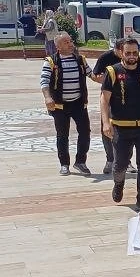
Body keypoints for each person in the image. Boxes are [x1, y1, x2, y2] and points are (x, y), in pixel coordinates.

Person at [100, 37, 140, 209]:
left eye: (134, 52)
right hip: (121, 126)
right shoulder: (113, 71)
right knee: (120, 164)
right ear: (121, 53)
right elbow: (104, 99)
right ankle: (119, 184)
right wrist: (105, 123)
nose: (132, 56)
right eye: (128, 53)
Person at [39, 33, 92, 176]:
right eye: (66, 42)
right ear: (58, 46)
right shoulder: (51, 61)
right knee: (62, 135)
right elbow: (44, 81)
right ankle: (64, 164)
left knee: (85, 132)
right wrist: (47, 97)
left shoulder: (80, 60)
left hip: (79, 104)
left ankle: (80, 162)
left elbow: (92, 75)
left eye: (70, 41)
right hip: (60, 106)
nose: (70, 44)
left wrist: (107, 79)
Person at [90, 42, 124, 175]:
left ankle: (126, 161)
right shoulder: (105, 57)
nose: (126, 54)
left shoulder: (132, 57)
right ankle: (110, 159)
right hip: (109, 96)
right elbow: (94, 75)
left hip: (127, 97)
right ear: (116, 49)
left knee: (127, 129)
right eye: (122, 51)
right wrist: (106, 79)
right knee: (107, 127)